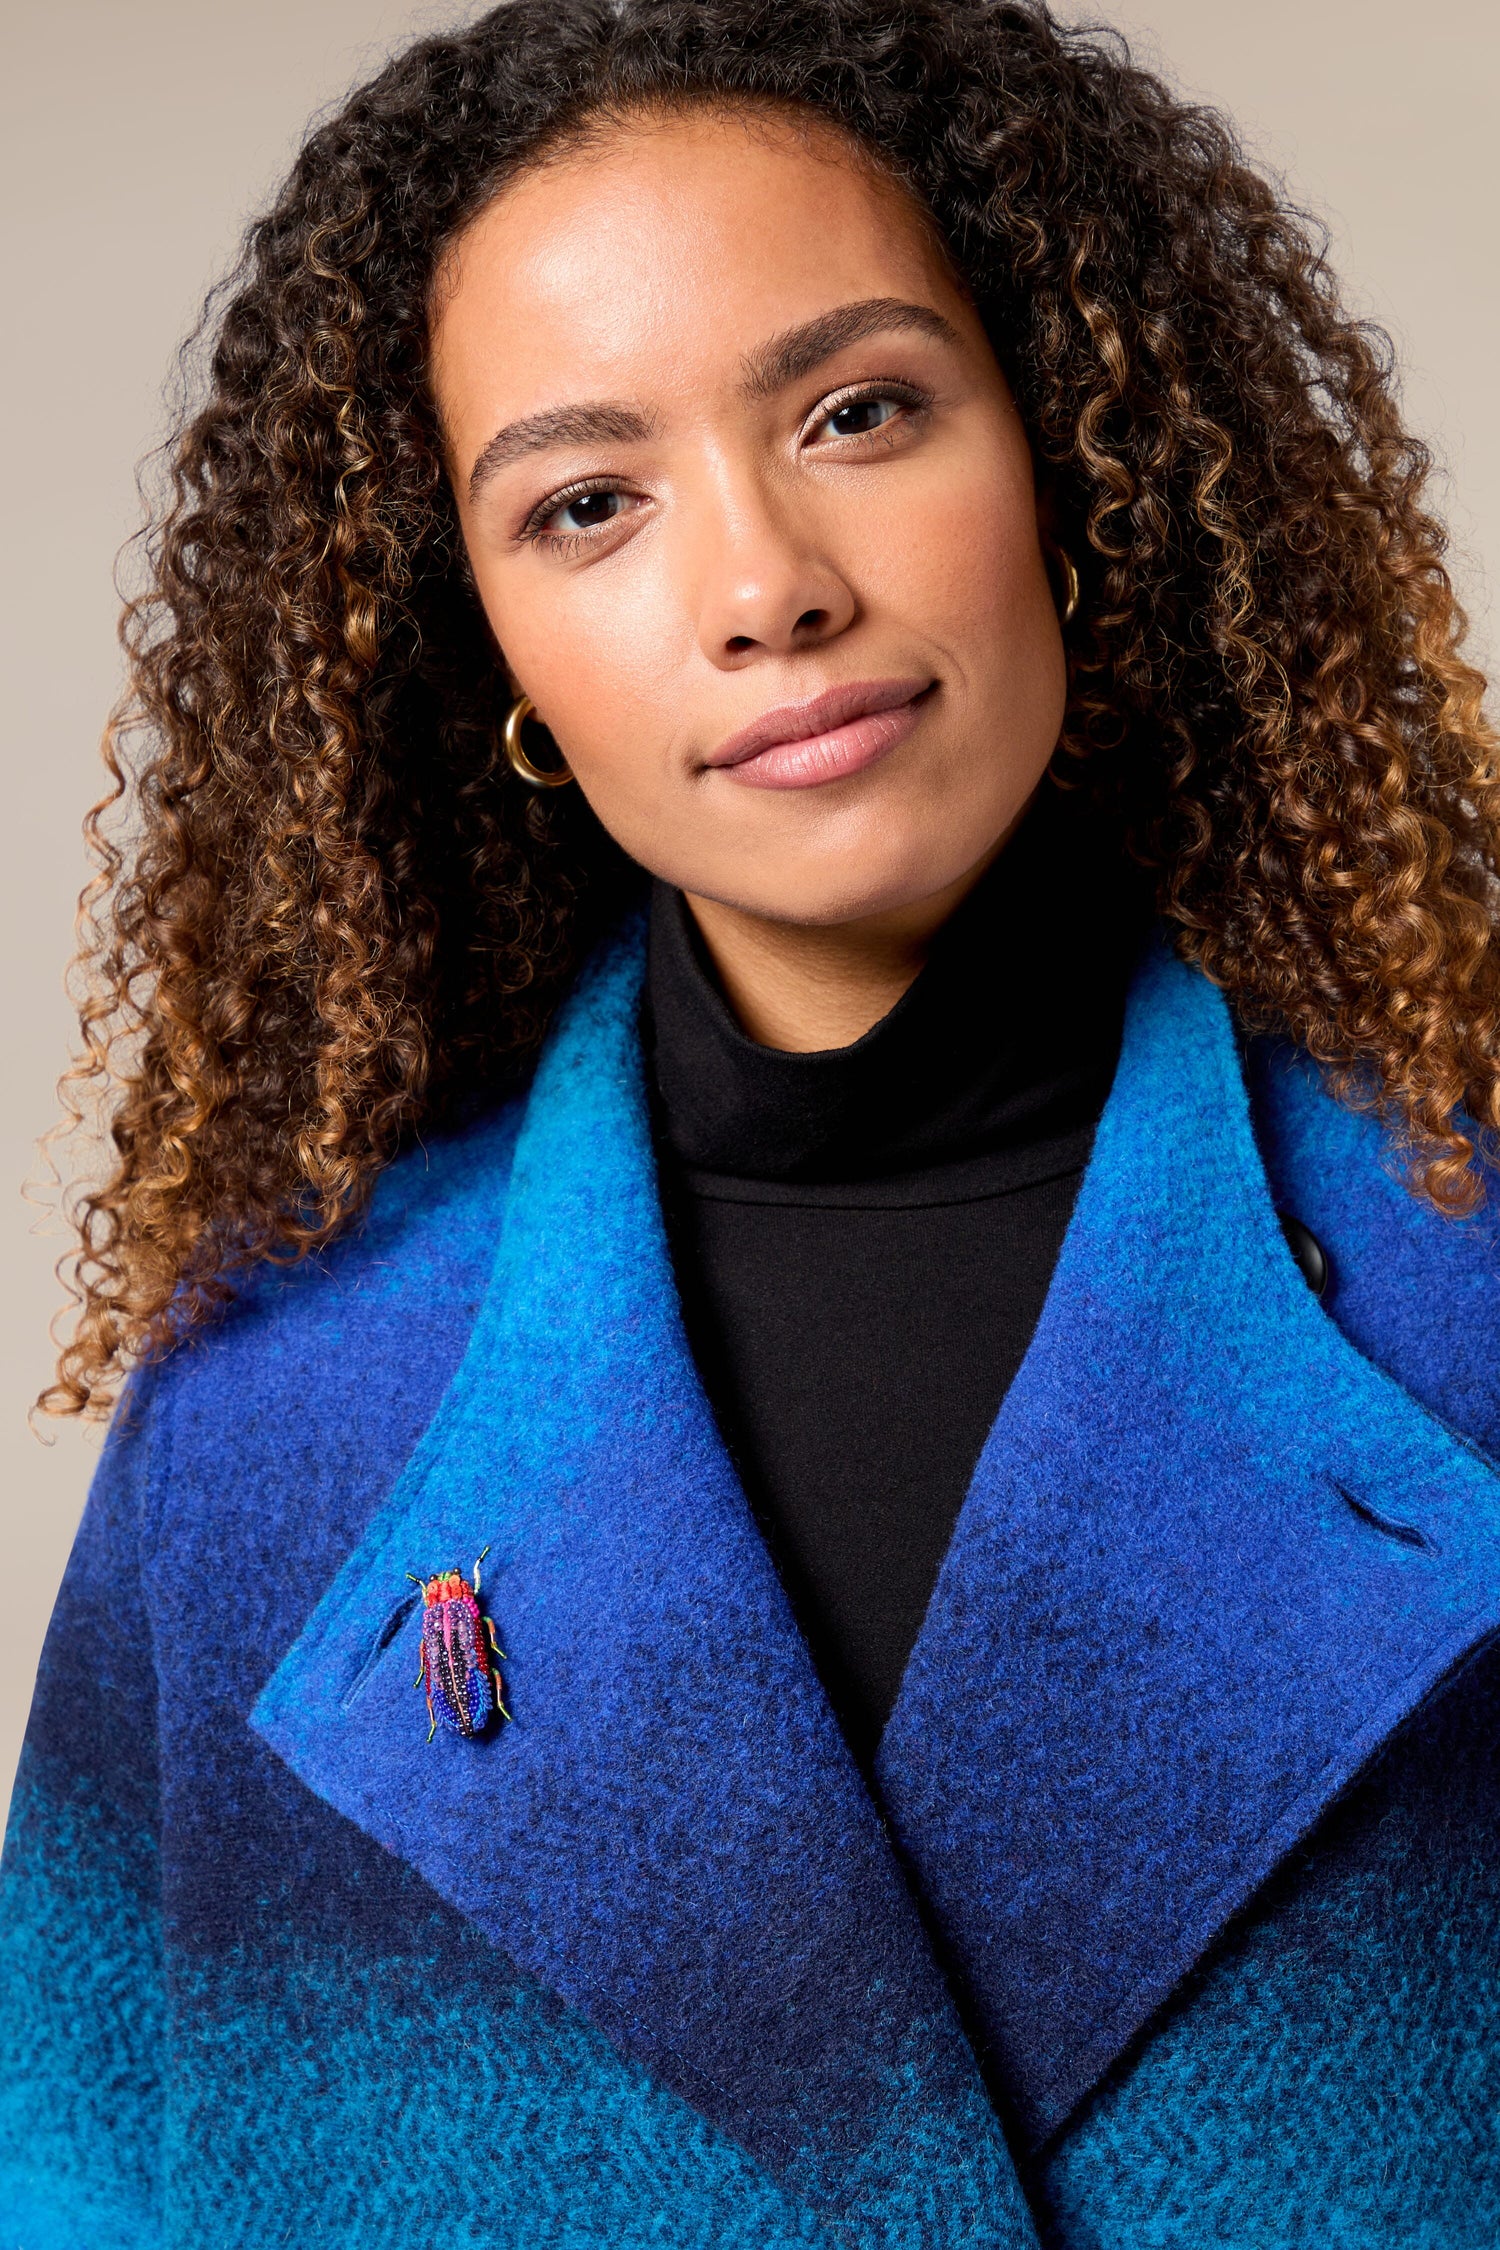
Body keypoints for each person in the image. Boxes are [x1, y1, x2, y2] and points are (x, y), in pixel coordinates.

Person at [3, 1, 1497, 2241]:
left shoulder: (1462, 1289)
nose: (766, 583)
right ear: (484, 644)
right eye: (586, 502)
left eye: (861, 410)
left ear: (1069, 466)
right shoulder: (270, 1418)